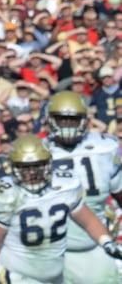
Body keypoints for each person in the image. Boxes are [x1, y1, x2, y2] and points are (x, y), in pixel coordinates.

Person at [0, 135, 122, 284]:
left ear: (49, 163)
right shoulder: (5, 194)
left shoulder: (65, 184)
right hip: (17, 275)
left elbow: (87, 220)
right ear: (14, 166)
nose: (32, 172)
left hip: (54, 276)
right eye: (25, 167)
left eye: (37, 165)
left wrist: (106, 242)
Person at [43, 91, 122, 284]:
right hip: (50, 250)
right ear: (51, 120)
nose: (68, 125)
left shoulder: (105, 147)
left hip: (93, 246)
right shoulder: (39, 152)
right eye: (62, 120)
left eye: (73, 120)